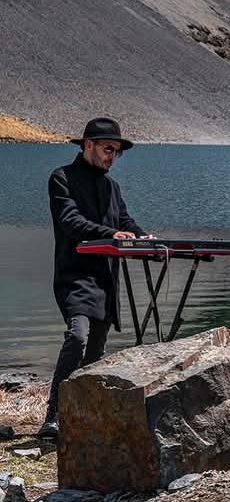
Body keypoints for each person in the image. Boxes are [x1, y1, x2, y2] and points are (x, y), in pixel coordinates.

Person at [39, 117, 149, 438]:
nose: (112, 157)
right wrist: (112, 234)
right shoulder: (62, 178)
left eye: (116, 152)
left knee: (95, 352)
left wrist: (143, 237)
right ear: (88, 145)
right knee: (78, 336)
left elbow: (125, 219)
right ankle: (54, 416)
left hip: (105, 279)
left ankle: (82, 418)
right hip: (75, 276)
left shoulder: (112, 186)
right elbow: (71, 221)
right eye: (107, 149)